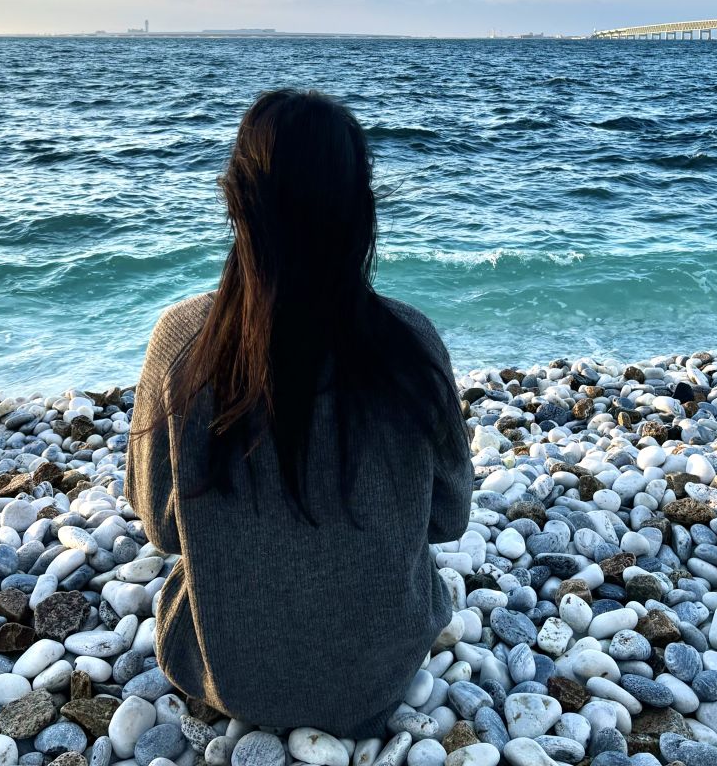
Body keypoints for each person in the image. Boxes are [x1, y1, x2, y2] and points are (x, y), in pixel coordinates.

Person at [125, 88, 474, 736]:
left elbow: (163, 529)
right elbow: (449, 517)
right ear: (360, 210)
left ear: (238, 203)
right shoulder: (410, 347)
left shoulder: (183, 345)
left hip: (223, 675)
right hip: (380, 674)